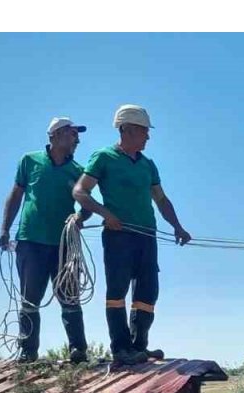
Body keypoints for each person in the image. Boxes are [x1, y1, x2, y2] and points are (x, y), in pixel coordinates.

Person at [73, 104, 190, 365]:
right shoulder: (103, 157)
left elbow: (160, 199)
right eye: (144, 132)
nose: (148, 137)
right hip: (118, 235)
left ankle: (139, 345)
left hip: (147, 235)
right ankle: (121, 348)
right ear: (126, 130)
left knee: (148, 291)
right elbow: (80, 191)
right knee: (117, 290)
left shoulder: (148, 165)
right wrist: (106, 215)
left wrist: (177, 226)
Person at [0, 116, 90, 363]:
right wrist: (5, 229)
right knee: (30, 297)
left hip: (63, 243)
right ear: (56, 135)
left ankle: (78, 349)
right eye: (72, 134)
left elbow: (86, 204)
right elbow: (16, 195)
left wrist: (80, 217)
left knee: (70, 296)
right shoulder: (29, 161)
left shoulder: (78, 171)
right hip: (31, 240)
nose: (77, 139)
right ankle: (28, 352)